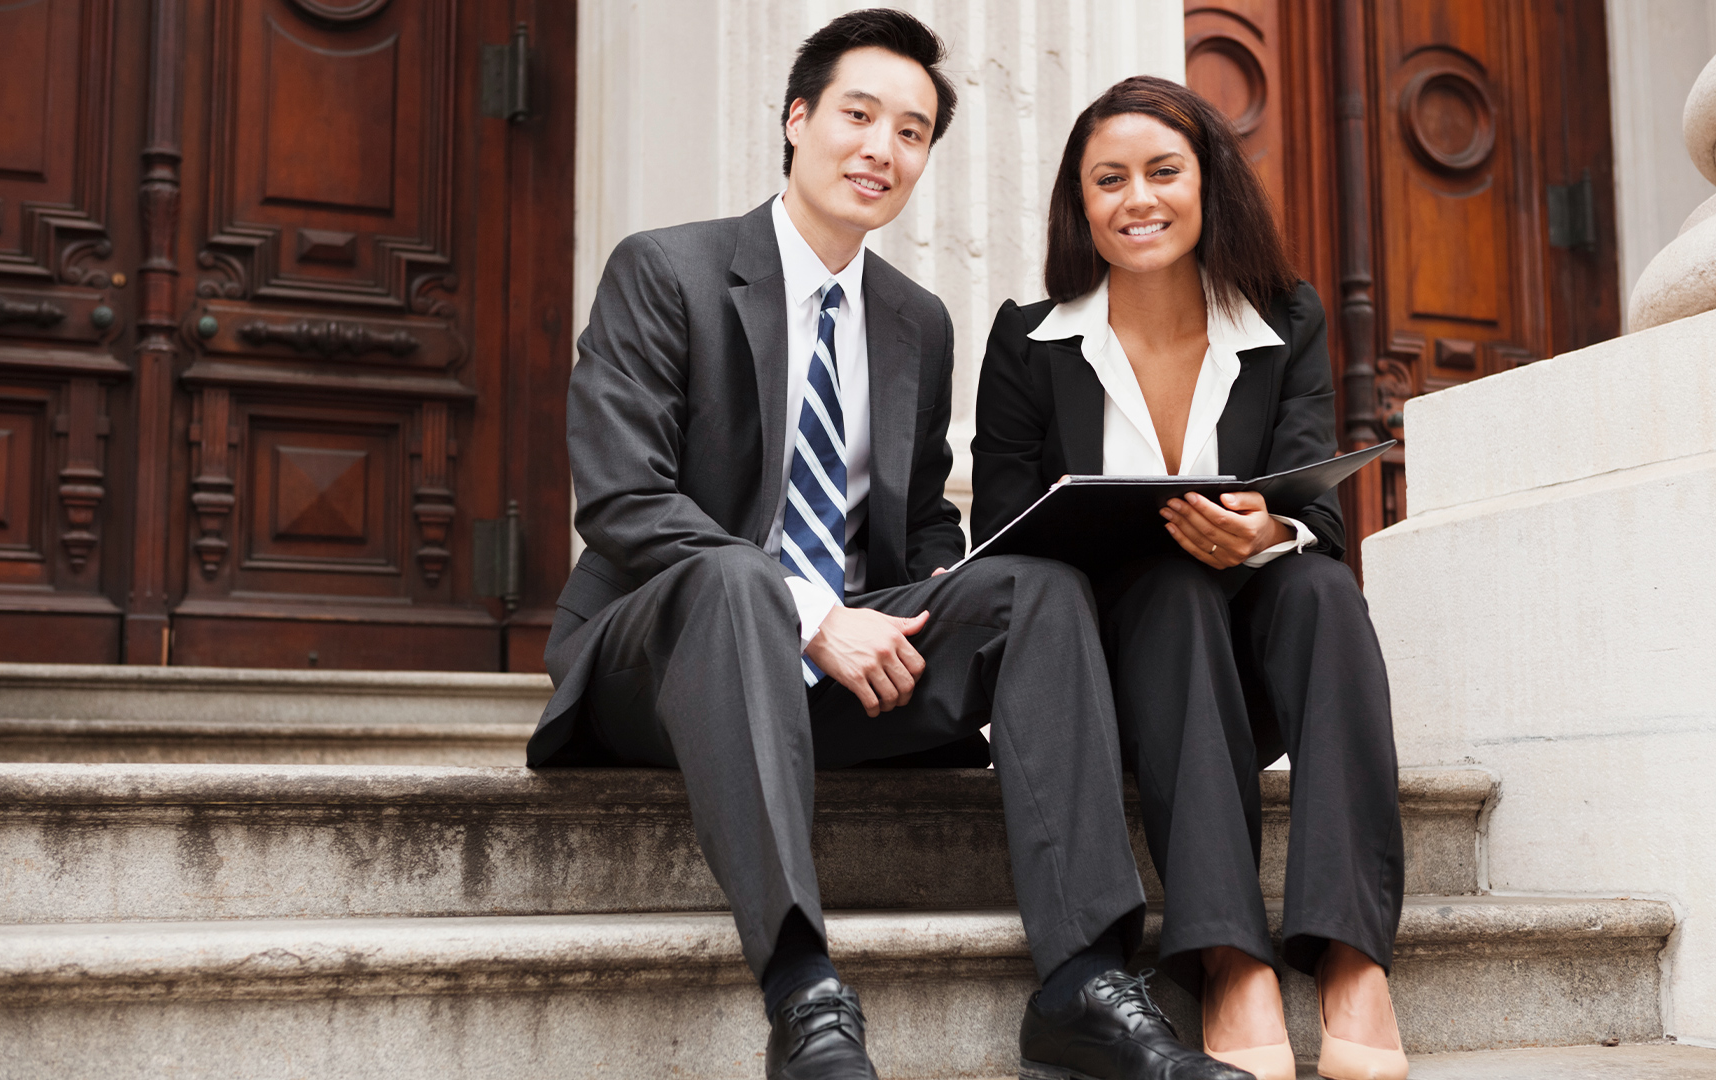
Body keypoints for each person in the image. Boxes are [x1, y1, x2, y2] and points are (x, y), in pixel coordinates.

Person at [529, 15, 1252, 1080]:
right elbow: (627, 502)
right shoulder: (666, 271)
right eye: (859, 115)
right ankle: (803, 994)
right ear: (797, 120)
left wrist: (953, 580)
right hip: (666, 660)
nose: (881, 148)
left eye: (911, 132)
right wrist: (816, 617)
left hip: (850, 672)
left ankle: (1085, 984)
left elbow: (917, 528)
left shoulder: (915, 320)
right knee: (738, 575)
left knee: (1037, 587)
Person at [971, 76, 1410, 1080]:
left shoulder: (1285, 320)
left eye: (1163, 171)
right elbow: (998, 537)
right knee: (1165, 590)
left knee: (1321, 586)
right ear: (1079, 204)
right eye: (1108, 179)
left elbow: (1321, 515)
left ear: (1207, 183)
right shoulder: (1027, 345)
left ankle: (1352, 957)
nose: (1139, 199)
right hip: (1123, 687)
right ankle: (1228, 958)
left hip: (1249, 681)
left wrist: (1263, 530)